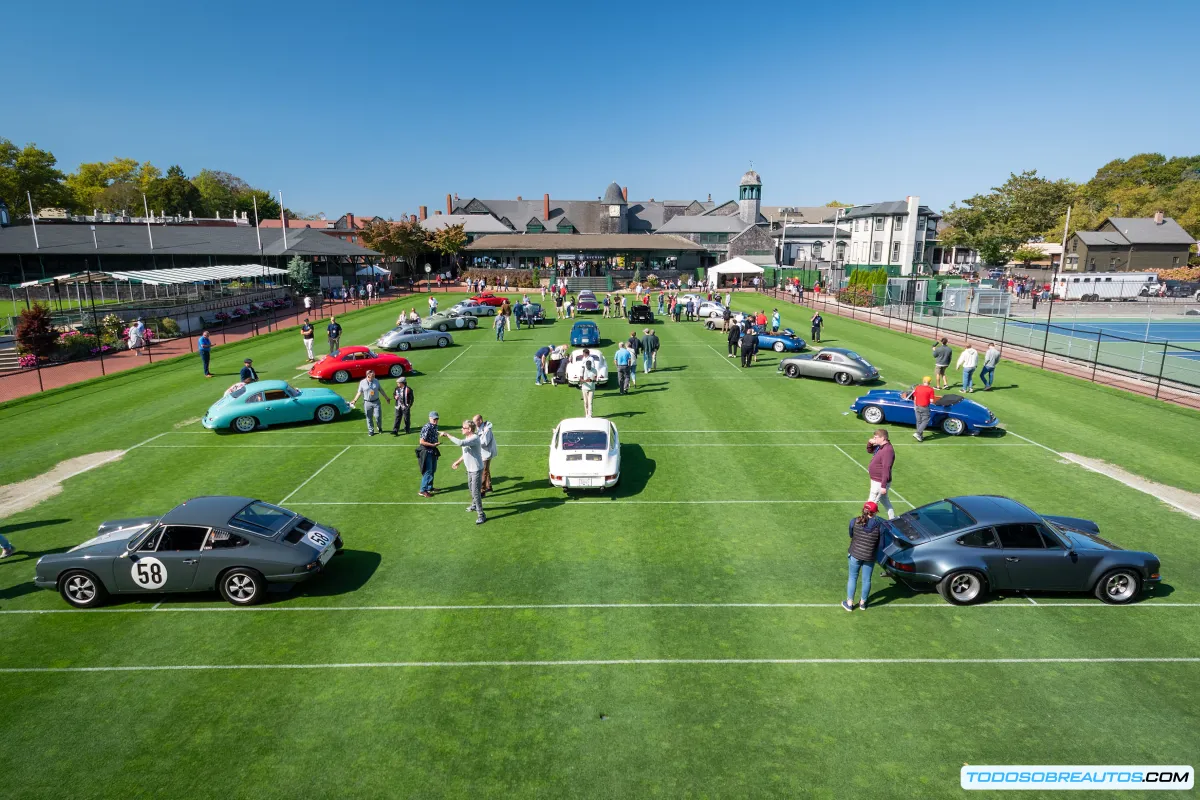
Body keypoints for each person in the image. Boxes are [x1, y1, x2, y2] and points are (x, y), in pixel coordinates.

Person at [441, 419, 486, 525]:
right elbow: (465, 453)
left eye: (463, 427)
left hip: (476, 469)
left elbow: (460, 443)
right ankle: (474, 505)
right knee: (471, 488)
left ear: (469, 429)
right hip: (470, 469)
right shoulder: (468, 438)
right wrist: (458, 462)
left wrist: (448, 435)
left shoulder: (474, 438)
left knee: (475, 492)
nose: (462, 429)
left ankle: (481, 515)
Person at [844, 502, 884, 611]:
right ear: (875, 512)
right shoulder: (880, 526)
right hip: (870, 557)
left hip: (855, 554)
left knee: (852, 577)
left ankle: (849, 603)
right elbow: (881, 545)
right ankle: (863, 603)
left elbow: (851, 534)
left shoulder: (854, 521)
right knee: (867, 580)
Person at [866, 429, 896, 520]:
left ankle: (868, 522)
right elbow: (870, 451)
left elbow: (886, 468)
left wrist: (883, 486)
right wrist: (870, 443)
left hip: (879, 482)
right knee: (884, 501)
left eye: (876, 437)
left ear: (882, 438)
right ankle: (893, 519)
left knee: (871, 503)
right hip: (876, 480)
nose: (874, 439)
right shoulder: (881, 446)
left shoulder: (887, 450)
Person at [349, 369, 389, 436]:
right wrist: (354, 400)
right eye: (372, 376)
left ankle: (379, 428)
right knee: (369, 417)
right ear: (368, 376)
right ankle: (371, 430)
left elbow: (380, 389)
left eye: (374, 375)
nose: (374, 377)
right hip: (367, 402)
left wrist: (386, 398)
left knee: (378, 416)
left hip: (376, 402)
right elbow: (359, 392)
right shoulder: (362, 382)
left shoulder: (376, 381)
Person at [903, 376, 937, 442]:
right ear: (930, 382)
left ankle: (920, 436)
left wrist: (915, 406)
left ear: (923, 381)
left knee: (919, 421)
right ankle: (918, 433)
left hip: (917, 406)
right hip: (924, 407)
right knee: (925, 420)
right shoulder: (930, 389)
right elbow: (932, 400)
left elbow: (915, 398)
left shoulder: (918, 387)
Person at [417, 411, 441, 497]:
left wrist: (440, 433)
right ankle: (423, 490)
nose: (435, 420)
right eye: (434, 419)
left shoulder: (434, 426)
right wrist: (433, 445)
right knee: (428, 471)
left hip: (432, 450)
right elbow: (422, 441)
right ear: (430, 418)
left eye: (437, 419)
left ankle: (429, 487)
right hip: (426, 451)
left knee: (433, 469)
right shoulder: (427, 427)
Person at [474, 414, 496, 495]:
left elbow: (485, 442)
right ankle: (489, 487)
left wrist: (475, 440)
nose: (473, 423)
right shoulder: (480, 427)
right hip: (483, 452)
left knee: (484, 471)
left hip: (487, 453)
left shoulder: (487, 430)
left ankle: (482, 490)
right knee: (486, 469)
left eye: (475, 421)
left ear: (480, 421)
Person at [579, 349, 598, 417]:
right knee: (586, 402)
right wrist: (585, 381)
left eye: (590, 366)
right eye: (588, 366)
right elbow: (580, 379)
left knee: (590, 402)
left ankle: (590, 415)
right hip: (584, 387)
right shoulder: (583, 369)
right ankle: (586, 414)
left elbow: (595, 379)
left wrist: (592, 380)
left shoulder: (594, 370)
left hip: (592, 387)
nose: (589, 367)